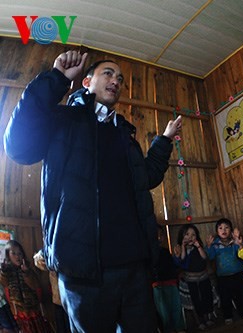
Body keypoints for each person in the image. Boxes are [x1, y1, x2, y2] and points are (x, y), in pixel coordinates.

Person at [3, 50, 182, 332]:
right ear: (86, 82)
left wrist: (164, 141)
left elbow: (145, 178)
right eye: (108, 73)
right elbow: (18, 146)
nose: (116, 81)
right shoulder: (64, 121)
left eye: (120, 78)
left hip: (135, 266)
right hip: (84, 271)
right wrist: (57, 78)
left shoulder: (125, 134)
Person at [206, 218, 243, 325]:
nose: (224, 230)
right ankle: (228, 316)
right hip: (223, 276)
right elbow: (211, 257)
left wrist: (239, 243)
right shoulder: (215, 245)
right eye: (220, 228)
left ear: (230, 230)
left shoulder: (235, 242)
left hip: (238, 274)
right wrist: (208, 246)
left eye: (226, 227)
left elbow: (242, 254)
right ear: (217, 231)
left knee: (241, 294)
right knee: (225, 297)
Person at [0, 240, 50, 333]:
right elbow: (4, 283)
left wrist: (26, 273)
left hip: (33, 309)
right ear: (8, 256)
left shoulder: (28, 269)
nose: (17, 256)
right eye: (13, 253)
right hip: (20, 311)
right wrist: (3, 271)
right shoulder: (7, 272)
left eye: (19, 253)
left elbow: (34, 286)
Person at [173, 224, 214, 331]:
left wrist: (199, 246)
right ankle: (199, 321)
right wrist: (182, 247)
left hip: (203, 278)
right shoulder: (180, 248)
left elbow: (204, 257)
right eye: (187, 234)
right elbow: (182, 260)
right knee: (195, 301)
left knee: (206, 298)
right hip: (190, 280)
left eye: (193, 235)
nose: (190, 237)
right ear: (182, 236)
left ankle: (207, 317)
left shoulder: (198, 247)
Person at [153, 225, 186, 333]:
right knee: (163, 312)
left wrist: (176, 258)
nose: (159, 238)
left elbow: (172, 266)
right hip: (157, 285)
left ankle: (180, 328)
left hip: (171, 283)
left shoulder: (165, 252)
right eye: (155, 235)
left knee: (176, 308)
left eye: (161, 235)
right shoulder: (148, 254)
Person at [33, 250, 71, 333]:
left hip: (70, 299)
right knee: (61, 328)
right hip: (58, 299)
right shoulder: (50, 250)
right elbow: (38, 261)